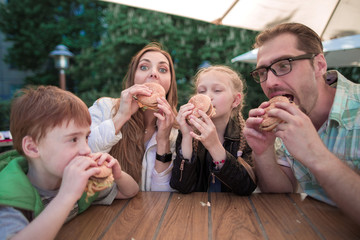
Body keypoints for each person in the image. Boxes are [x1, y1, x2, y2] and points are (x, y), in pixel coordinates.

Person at [243, 22, 360, 224]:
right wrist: (264, 153)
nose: (270, 83)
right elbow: (281, 191)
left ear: (319, 65)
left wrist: (314, 154)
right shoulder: (286, 117)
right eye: (263, 72)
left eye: (284, 65)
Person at [0, 86, 139, 239]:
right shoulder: (10, 196)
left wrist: (117, 174)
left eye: (86, 137)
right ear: (32, 148)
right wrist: (67, 195)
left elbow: (129, 191)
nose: (86, 149)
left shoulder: (82, 182)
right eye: (73, 139)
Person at [88, 42, 178, 191]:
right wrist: (121, 116)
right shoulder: (104, 108)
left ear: (170, 84)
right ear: (133, 77)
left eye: (162, 69)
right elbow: (84, 153)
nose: (153, 73)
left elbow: (163, 193)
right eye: (144, 67)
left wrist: (163, 141)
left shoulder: (174, 130)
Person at [170, 65, 257, 195]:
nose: (208, 97)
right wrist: (187, 137)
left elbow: (246, 187)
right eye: (201, 91)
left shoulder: (246, 136)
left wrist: (214, 146)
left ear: (235, 100)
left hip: (234, 211)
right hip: (196, 209)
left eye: (217, 90)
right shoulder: (188, 133)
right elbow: (182, 186)